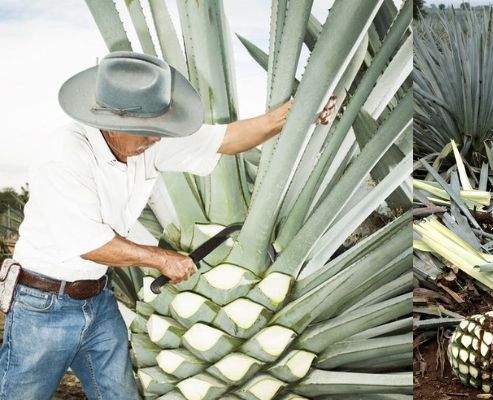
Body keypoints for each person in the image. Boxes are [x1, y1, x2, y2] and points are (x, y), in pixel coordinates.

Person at [0, 51, 308, 399]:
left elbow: (226, 139)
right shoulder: (64, 154)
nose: (157, 139)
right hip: (42, 306)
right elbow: (90, 244)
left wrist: (295, 113)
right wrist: (162, 258)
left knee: (120, 394)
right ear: (113, 124)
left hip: (98, 300)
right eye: (148, 132)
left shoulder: (144, 143)